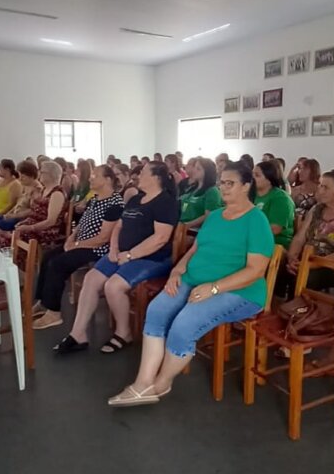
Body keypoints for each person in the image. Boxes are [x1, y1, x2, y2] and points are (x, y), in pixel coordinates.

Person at [107, 161, 274, 406]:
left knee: (184, 324)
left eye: (230, 183)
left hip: (239, 291)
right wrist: (176, 271)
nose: (224, 188)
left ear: (246, 186)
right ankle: (142, 382)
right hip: (193, 280)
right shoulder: (216, 216)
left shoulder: (256, 220)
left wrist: (214, 287)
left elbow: (256, 270)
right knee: (156, 310)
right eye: (221, 182)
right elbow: (195, 249)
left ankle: (160, 384)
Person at [54, 161, 180, 355]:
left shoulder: (166, 202)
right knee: (91, 279)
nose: (138, 176)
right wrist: (114, 249)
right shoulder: (136, 199)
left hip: (152, 258)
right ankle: (78, 334)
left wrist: (130, 255)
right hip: (121, 254)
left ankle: (124, 333)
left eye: (143, 173)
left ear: (156, 178)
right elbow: (118, 227)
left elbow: (160, 239)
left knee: (113, 286)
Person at [32, 166, 125, 329]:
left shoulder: (115, 203)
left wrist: (75, 245)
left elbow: (103, 239)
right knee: (48, 257)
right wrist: (71, 238)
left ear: (108, 180)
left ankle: (54, 312)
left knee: (58, 264)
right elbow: (81, 224)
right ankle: (43, 301)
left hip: (97, 249)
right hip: (81, 242)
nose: (91, 178)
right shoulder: (94, 199)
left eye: (95, 176)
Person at [277, 169, 334, 299]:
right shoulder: (317, 209)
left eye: (325, 187)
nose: (319, 190)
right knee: (277, 266)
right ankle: (276, 309)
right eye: (320, 185)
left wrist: (310, 264)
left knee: (303, 279)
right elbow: (300, 237)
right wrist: (292, 258)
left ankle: (296, 314)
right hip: (308, 259)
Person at [0, 161, 67, 248]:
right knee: (1, 236)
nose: (39, 174)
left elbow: (51, 221)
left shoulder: (57, 193)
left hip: (46, 230)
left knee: (10, 239)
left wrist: (30, 227)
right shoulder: (43, 190)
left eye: (41, 172)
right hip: (33, 225)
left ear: (50, 174)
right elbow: (33, 210)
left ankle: (24, 261)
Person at [0, 161, 42, 236]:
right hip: (16, 214)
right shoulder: (24, 186)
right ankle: (9, 236)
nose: (20, 178)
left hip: (23, 218)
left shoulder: (37, 189)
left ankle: (11, 237)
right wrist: (8, 213)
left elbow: (32, 210)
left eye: (23, 176)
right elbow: (17, 203)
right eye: (20, 175)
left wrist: (13, 216)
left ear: (31, 176)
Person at [253, 161, 295, 248]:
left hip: (275, 244)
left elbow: (275, 229)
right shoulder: (251, 195)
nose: (252, 178)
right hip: (254, 240)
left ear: (269, 179)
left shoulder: (281, 198)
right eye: (252, 174)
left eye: (257, 175)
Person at [179, 158, 222, 229]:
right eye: (194, 167)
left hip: (195, 231)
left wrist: (188, 224)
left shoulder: (212, 191)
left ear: (207, 172)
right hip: (182, 226)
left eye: (198, 169)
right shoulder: (192, 188)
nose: (194, 171)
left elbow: (209, 215)